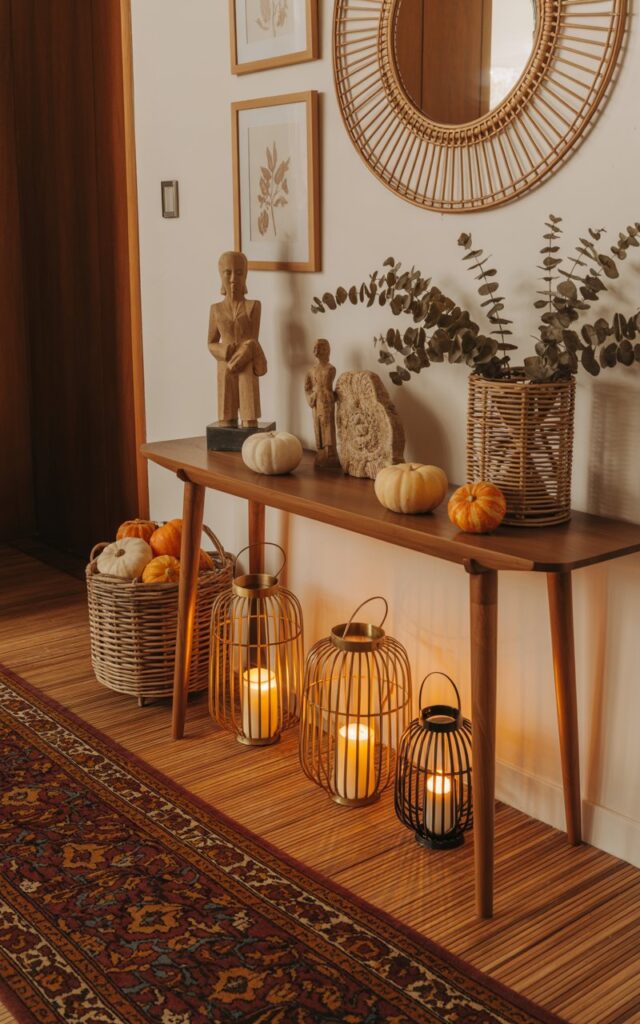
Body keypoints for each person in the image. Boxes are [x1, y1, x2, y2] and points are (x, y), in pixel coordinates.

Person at [208, 251, 267, 427]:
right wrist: (223, 350)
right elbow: (210, 342)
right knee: (226, 419)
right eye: (228, 273)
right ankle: (227, 418)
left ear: (245, 276)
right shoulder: (216, 309)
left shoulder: (253, 306)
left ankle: (249, 419)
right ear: (221, 275)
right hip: (224, 363)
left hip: (246, 361)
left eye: (239, 273)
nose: (234, 279)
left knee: (250, 420)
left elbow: (253, 339)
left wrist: (247, 349)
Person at [304, 338, 340, 467]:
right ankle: (320, 451)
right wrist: (311, 397)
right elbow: (307, 387)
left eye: (319, 348)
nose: (316, 350)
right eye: (315, 348)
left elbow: (333, 387)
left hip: (327, 401)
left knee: (328, 425)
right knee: (318, 425)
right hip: (316, 401)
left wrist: (334, 395)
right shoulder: (311, 371)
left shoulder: (331, 369)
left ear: (326, 350)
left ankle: (330, 452)